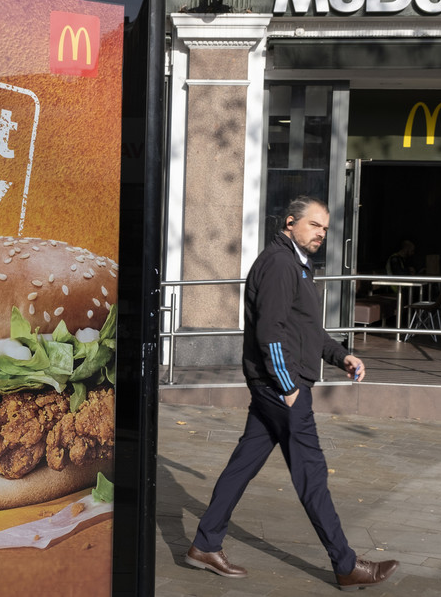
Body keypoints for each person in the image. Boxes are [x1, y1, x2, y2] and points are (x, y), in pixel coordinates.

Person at [184, 196, 399, 590]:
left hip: (277, 386)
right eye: (315, 225)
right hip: (281, 387)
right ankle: (346, 565)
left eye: (325, 229)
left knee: (243, 464)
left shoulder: (299, 266)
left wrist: (341, 355)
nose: (322, 233)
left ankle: (204, 545)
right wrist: (287, 387)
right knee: (311, 474)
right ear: (290, 222)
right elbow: (271, 333)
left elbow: (305, 330)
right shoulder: (281, 264)